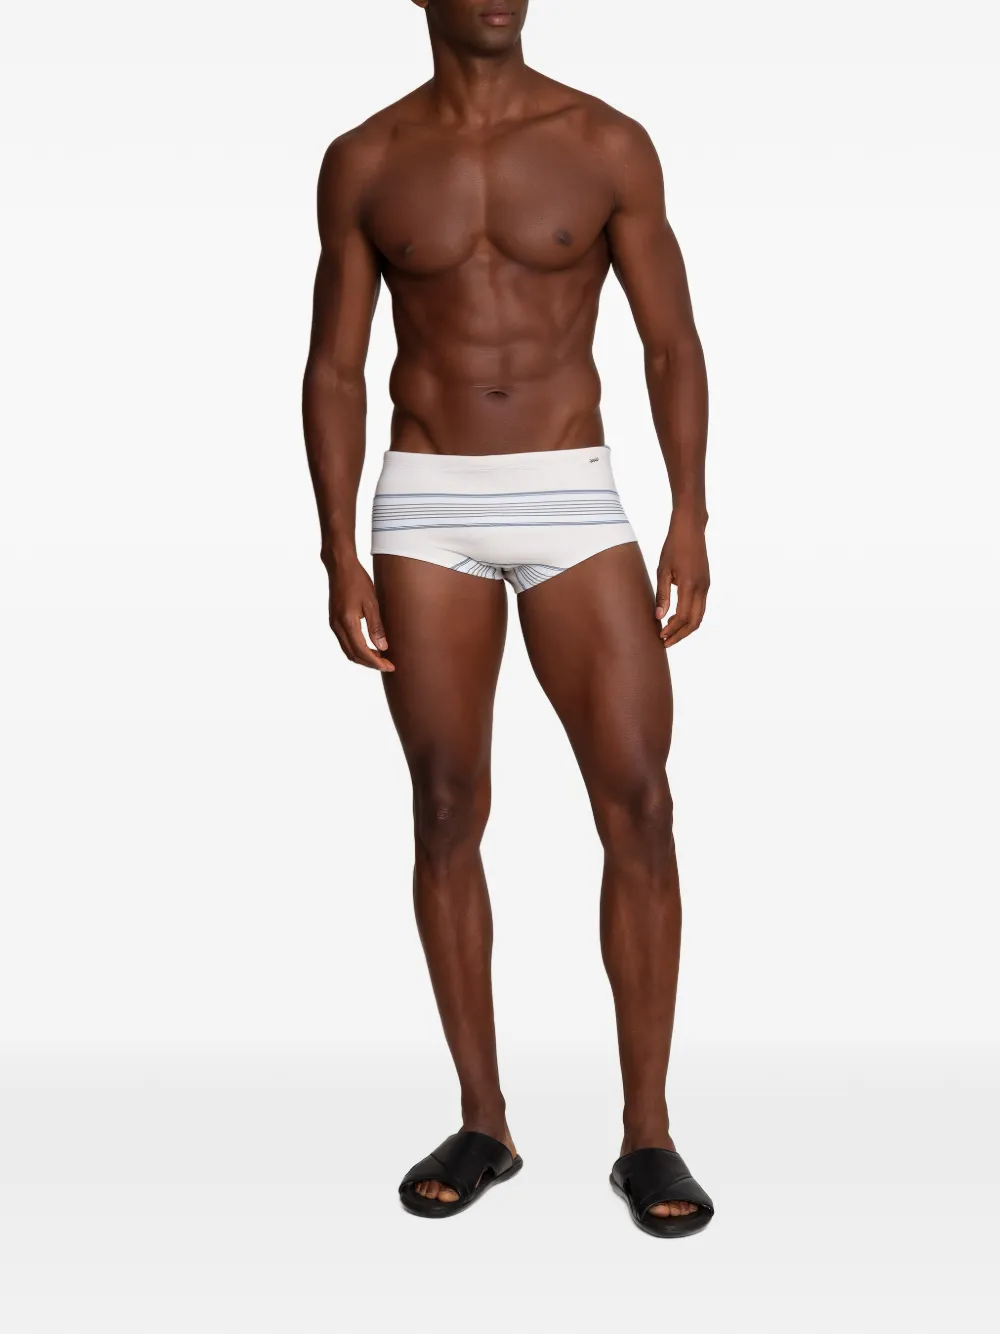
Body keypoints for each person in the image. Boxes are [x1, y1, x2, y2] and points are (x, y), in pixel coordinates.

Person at [302, 0, 714, 1238]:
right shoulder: (366, 158)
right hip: (424, 498)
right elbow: (333, 365)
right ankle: (483, 1120)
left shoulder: (604, 142)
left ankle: (647, 1131)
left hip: (570, 492)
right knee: (444, 804)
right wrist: (336, 546)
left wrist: (688, 514)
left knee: (638, 800)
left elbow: (670, 342)